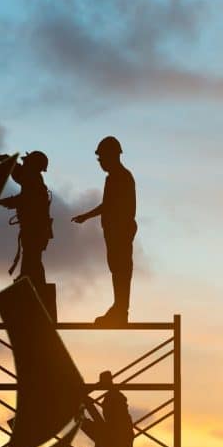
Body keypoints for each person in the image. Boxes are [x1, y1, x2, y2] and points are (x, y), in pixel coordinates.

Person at [72, 136, 136, 326]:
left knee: (121, 270)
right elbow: (107, 205)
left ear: (112, 156)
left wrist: (88, 216)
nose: (100, 162)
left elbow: (111, 206)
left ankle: (121, 310)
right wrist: (87, 216)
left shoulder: (121, 177)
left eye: (102, 158)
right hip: (114, 231)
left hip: (120, 232)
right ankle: (119, 308)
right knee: (117, 270)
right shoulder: (114, 177)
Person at [0, 150, 54, 314]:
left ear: (34, 167)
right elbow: (19, 174)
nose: (25, 165)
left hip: (35, 232)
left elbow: (22, 199)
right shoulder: (32, 179)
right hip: (34, 231)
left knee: (32, 261)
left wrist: (1, 202)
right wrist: (9, 162)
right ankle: (37, 296)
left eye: (28, 163)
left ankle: (38, 300)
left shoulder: (34, 182)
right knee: (32, 262)